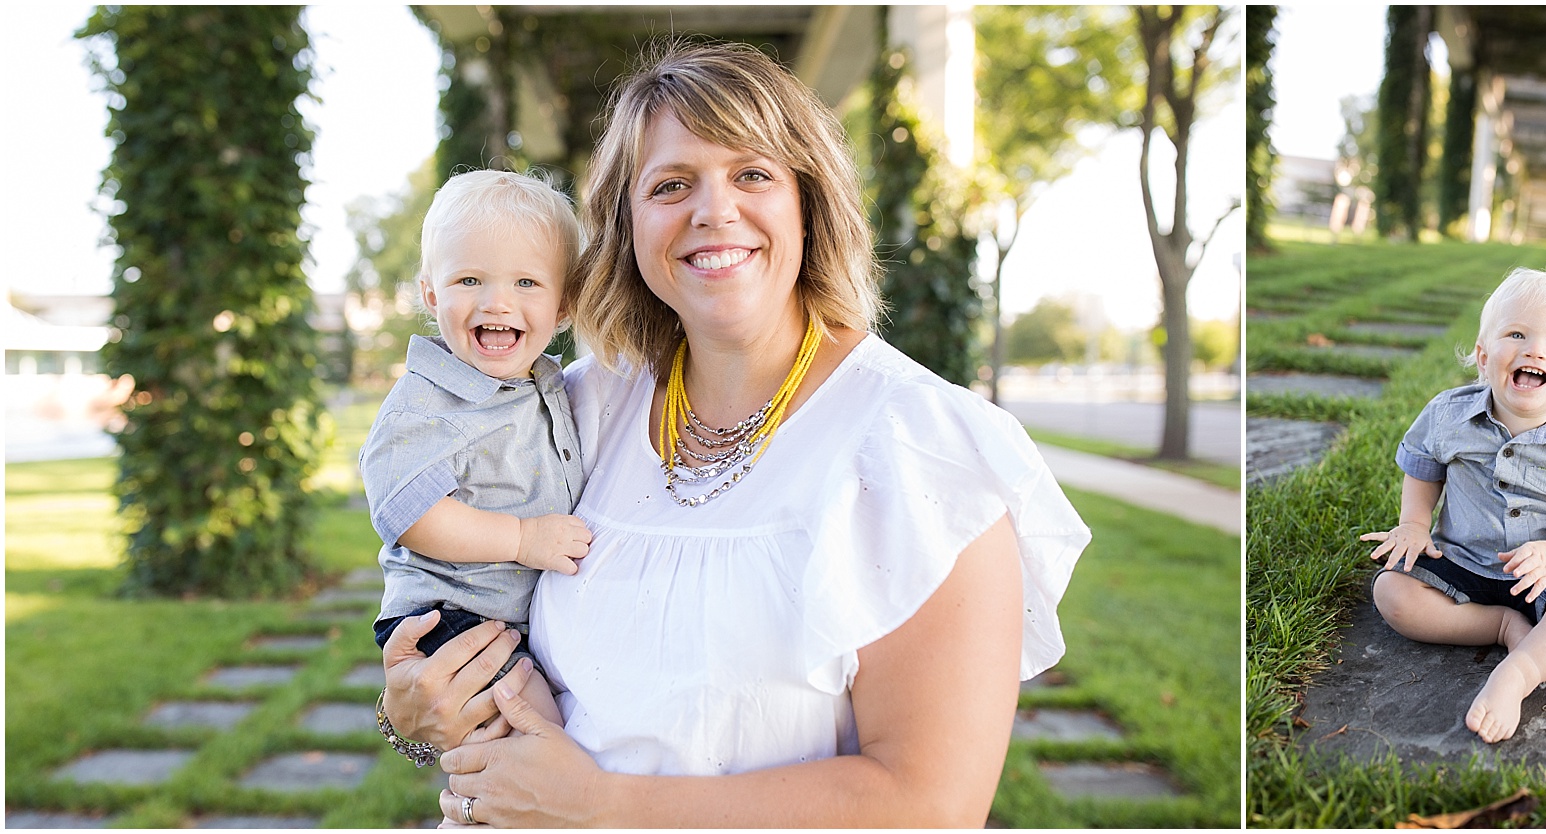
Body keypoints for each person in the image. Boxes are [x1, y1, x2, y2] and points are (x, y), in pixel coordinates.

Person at [378, 41, 1090, 826]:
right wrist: (415, 714)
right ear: (627, 228)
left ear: (808, 203)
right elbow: (443, 572)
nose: (713, 211)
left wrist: (605, 806)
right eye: (671, 184)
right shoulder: (578, 410)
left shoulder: (918, 449)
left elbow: (927, 806)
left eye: (753, 174)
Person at [1360, 267, 1546, 744]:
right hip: (1463, 563)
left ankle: (1522, 671)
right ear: (1484, 356)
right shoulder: (1449, 414)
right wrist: (1413, 523)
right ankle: (1499, 625)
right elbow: (1424, 467)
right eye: (1517, 334)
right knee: (1392, 594)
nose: (1535, 350)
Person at [363, 170, 593, 743]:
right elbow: (415, 516)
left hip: (507, 620)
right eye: (470, 279)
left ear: (564, 304)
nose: (497, 301)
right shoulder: (424, 407)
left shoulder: (548, 386)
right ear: (431, 293)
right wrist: (523, 540)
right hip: (447, 618)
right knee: (535, 726)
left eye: (526, 283)